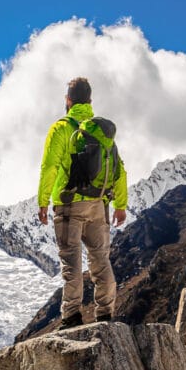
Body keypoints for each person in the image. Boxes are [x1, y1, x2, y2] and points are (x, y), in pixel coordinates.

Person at [37, 77, 127, 329]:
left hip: (69, 206)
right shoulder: (101, 132)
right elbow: (119, 169)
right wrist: (121, 204)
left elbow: (50, 166)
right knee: (101, 260)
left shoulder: (61, 128)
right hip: (99, 206)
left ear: (67, 100)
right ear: (90, 101)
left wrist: (43, 201)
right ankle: (106, 313)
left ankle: (72, 315)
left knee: (72, 262)